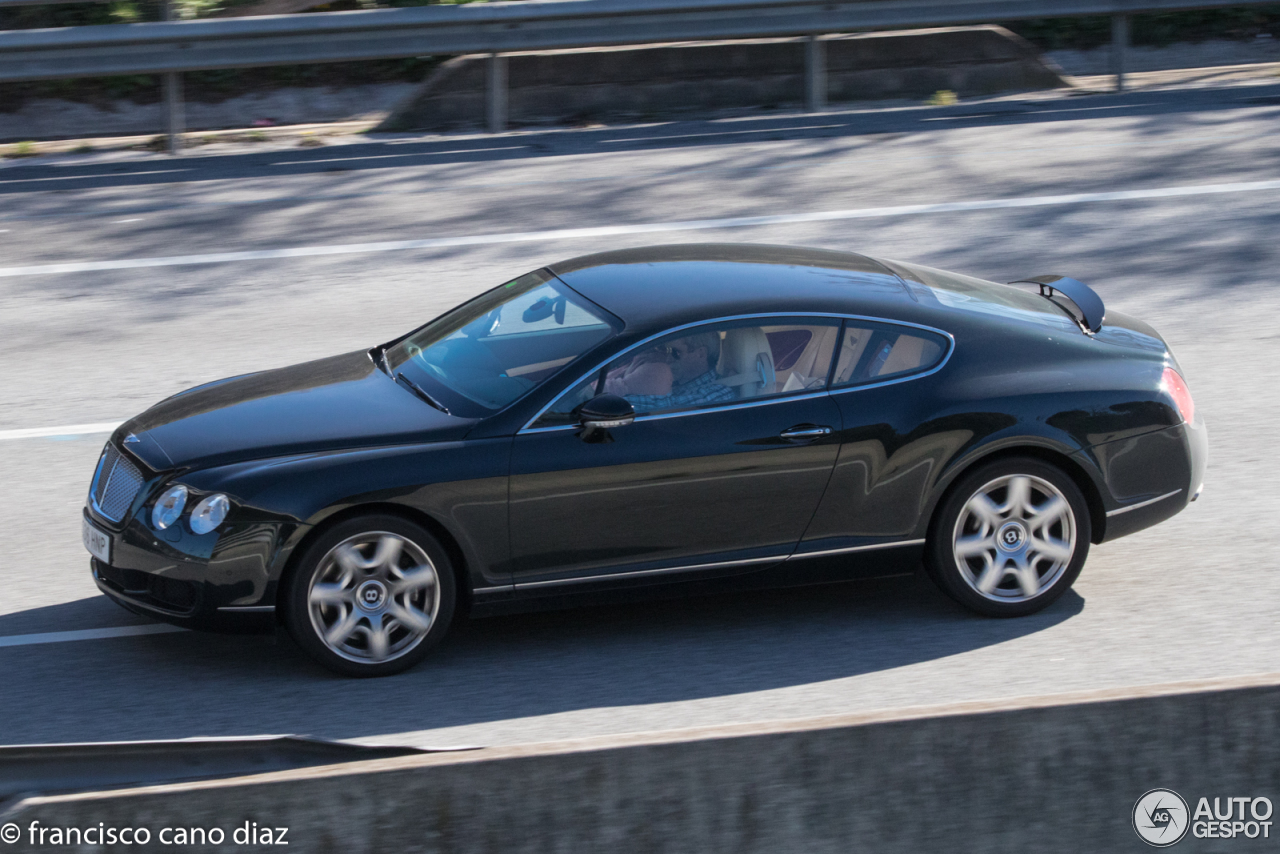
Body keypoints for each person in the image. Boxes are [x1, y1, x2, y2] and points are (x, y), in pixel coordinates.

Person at [604, 331, 734, 413]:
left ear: (700, 354)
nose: (668, 358)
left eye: (676, 353)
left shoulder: (718, 393)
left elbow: (661, 407)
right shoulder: (675, 381)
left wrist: (605, 399)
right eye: (665, 351)